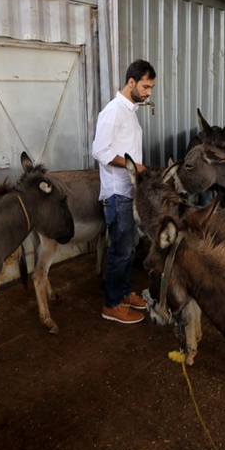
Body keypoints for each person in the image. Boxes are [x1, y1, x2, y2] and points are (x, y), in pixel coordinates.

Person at [91, 59, 155, 324]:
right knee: (120, 249)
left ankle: (124, 292)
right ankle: (112, 304)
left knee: (130, 247)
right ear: (132, 82)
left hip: (129, 193)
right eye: (146, 86)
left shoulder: (130, 111)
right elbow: (100, 151)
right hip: (117, 194)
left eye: (151, 87)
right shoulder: (114, 111)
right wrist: (134, 166)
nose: (149, 92)